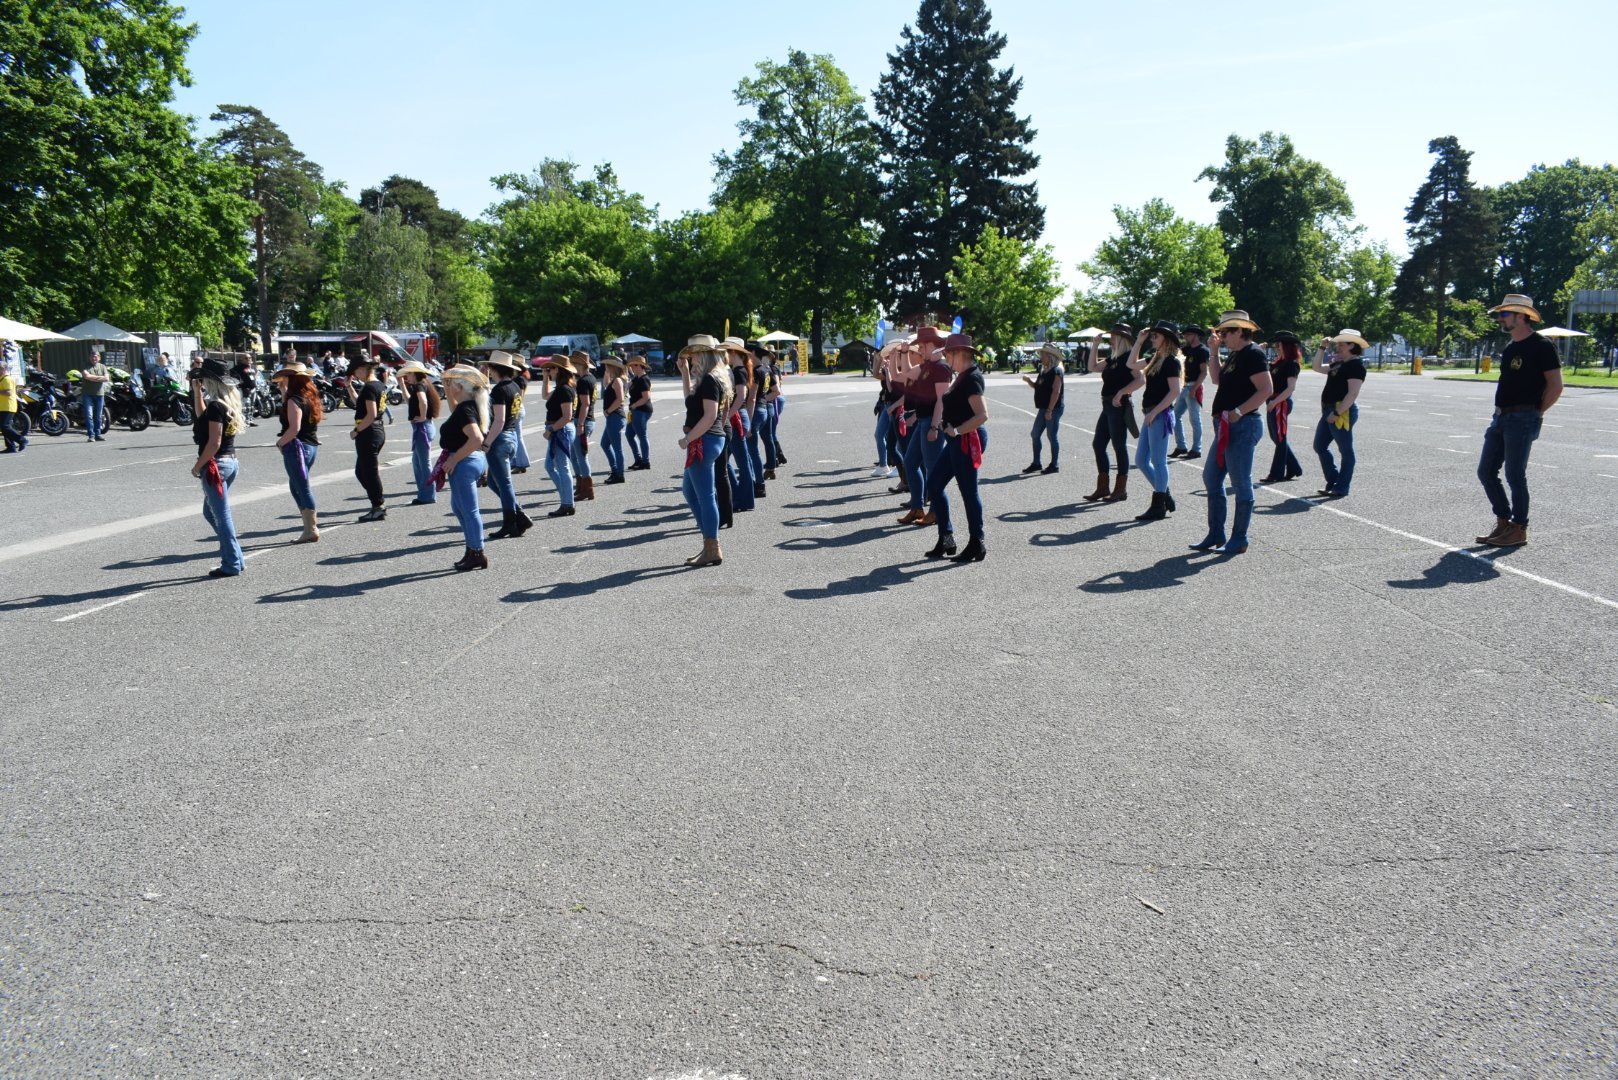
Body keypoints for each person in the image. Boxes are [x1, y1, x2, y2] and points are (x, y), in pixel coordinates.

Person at [1475, 293, 1562, 547]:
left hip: (1523, 417)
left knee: (1514, 474)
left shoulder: (1542, 345)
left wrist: (1536, 412)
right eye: (1500, 314)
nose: (1500, 319)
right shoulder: (1511, 347)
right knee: (1486, 471)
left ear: (1521, 316)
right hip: (1500, 417)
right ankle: (1504, 522)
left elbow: (1555, 386)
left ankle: (1519, 528)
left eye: (1504, 314)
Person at [1191, 310, 1273, 555]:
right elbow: (1216, 379)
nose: (1222, 336)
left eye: (1225, 332)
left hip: (1243, 425)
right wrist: (1214, 351)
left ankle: (1239, 538)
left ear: (1239, 331)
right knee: (1211, 477)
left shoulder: (1253, 354)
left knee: (1240, 482)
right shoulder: (1236, 354)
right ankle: (1217, 533)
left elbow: (1266, 389)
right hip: (1227, 425)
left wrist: (1239, 411)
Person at [924, 333, 991, 563]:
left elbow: (982, 415)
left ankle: (977, 542)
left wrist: (958, 430)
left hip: (966, 438)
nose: (945, 358)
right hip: (956, 438)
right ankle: (946, 538)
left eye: (947, 354)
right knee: (934, 484)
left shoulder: (971, 378)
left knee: (968, 491)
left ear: (958, 354)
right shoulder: (961, 376)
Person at [676, 334, 733, 567]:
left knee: (705, 496)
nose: (692, 359)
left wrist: (688, 438)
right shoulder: (712, 377)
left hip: (703, 441)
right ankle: (709, 542)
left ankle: (712, 545)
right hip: (708, 439)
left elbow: (710, 416)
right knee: (690, 491)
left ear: (704, 355)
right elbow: (691, 402)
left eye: (695, 355)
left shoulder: (710, 379)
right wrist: (685, 373)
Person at [188, 358, 245, 578]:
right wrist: (197, 393)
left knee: (222, 516)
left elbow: (214, 442)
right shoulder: (225, 403)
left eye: (203, 379)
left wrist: (197, 466)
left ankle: (231, 563)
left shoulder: (216, 406)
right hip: (229, 462)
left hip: (216, 465)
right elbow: (202, 418)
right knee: (210, 511)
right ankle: (236, 556)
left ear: (211, 381)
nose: (201, 381)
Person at [894, 326, 952, 525]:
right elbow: (906, 374)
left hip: (931, 423)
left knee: (933, 469)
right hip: (923, 421)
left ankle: (935, 511)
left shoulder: (942, 368)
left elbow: (941, 401)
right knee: (910, 463)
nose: (919, 349)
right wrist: (903, 353)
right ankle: (917, 507)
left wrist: (934, 427)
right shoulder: (927, 365)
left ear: (932, 345)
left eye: (922, 346)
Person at [436, 364, 491, 571]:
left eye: (452, 384)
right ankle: (472, 549)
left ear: (459, 387)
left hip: (464, 462)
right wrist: (447, 387)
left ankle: (477, 552)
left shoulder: (465, 409)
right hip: (471, 460)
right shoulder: (468, 405)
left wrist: (454, 459)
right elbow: (455, 410)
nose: (449, 387)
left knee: (469, 510)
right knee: (460, 508)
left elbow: (476, 439)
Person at [1128, 321, 1183, 522]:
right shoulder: (1155, 358)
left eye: (1155, 336)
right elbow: (1131, 364)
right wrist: (1139, 341)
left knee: (1159, 462)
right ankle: (1164, 495)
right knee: (1141, 461)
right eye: (1152, 336)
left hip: (1160, 415)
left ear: (1166, 339)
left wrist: (1155, 412)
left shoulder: (1171, 361)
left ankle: (1158, 505)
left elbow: (1175, 391)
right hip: (1151, 414)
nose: (1152, 339)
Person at [479, 351, 533, 538]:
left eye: (490, 368)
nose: (490, 372)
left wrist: (487, 442)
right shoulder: (514, 386)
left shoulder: (500, 390)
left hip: (500, 439)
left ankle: (511, 523)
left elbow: (499, 419)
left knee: (503, 484)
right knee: (494, 482)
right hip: (511, 437)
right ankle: (518, 516)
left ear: (496, 369)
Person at [270, 357, 323, 543]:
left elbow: (294, 428)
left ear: (292, 379)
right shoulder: (309, 397)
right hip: (310, 445)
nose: (283, 380)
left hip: (297, 447)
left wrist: (280, 443)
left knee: (302, 487)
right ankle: (308, 527)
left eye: (286, 377)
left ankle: (311, 528)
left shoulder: (295, 400)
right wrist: (284, 391)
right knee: (296, 486)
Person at [1312, 329, 1368, 500]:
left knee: (1345, 450)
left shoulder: (1356, 366)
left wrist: (1337, 412)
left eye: (1342, 344)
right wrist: (1322, 347)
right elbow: (1316, 367)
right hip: (1328, 410)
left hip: (1341, 411)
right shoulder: (1340, 363)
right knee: (1319, 446)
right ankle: (1334, 481)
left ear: (1352, 345)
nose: (1338, 347)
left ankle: (1341, 487)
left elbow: (1352, 394)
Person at [1086, 322, 1137, 502]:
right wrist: (1095, 345)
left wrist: (1122, 392)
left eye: (1114, 337)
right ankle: (1103, 487)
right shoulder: (1114, 357)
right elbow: (1092, 367)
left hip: (1118, 406)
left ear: (1122, 339)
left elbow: (1140, 379)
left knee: (1119, 446)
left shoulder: (1129, 357)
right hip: (1107, 406)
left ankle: (1120, 489)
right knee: (1098, 444)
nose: (1111, 340)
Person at [344, 355, 388, 521]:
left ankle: (378, 506)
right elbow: (360, 404)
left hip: (369, 432)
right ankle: (377, 501)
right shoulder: (377, 385)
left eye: (356, 371)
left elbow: (371, 414)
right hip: (376, 430)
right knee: (361, 471)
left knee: (369, 472)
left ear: (363, 369)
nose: (355, 375)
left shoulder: (369, 387)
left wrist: (357, 430)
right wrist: (349, 387)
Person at [1260, 331, 1304, 483]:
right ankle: (1294, 467)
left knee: (1280, 437)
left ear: (1286, 346)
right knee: (1276, 437)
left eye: (1279, 345)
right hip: (1273, 400)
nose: (1277, 347)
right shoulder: (1278, 362)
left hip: (1281, 402)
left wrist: (1275, 402)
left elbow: (1290, 388)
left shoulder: (1292, 364)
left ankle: (1276, 473)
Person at [539, 354, 578, 517]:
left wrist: (551, 429)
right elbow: (545, 396)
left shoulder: (564, 390)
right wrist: (545, 378)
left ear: (558, 370)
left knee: (562, 467)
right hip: (559, 429)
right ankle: (566, 497)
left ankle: (567, 503)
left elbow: (567, 416)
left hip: (560, 429)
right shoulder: (561, 388)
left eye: (550, 368)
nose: (549, 371)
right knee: (550, 466)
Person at [721, 337, 756, 513]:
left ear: (733, 353)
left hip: (736, 417)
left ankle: (744, 499)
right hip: (738, 416)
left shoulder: (739, 371)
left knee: (740, 461)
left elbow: (741, 396)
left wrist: (728, 416)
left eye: (726, 352)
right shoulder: (739, 370)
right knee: (731, 459)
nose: (724, 355)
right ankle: (738, 496)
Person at [400, 360, 441, 505]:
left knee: (423, 463)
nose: (407, 376)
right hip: (424, 426)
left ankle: (427, 495)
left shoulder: (419, 385)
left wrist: (422, 417)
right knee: (418, 462)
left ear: (414, 373)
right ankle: (424, 493)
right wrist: (402, 384)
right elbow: (410, 401)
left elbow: (423, 402)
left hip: (422, 427)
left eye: (408, 374)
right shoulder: (423, 384)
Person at [1022, 343, 1065, 474]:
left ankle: (1054, 465)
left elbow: (1056, 392)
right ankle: (1036, 463)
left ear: (1050, 356)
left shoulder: (1057, 371)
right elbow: (1038, 386)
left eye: (1042, 354)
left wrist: (1049, 411)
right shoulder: (1044, 370)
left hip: (1053, 408)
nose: (1040, 357)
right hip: (1044, 408)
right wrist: (1029, 381)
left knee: (1051, 436)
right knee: (1035, 434)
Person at [1171, 325, 1209, 460]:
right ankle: (1181, 446)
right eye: (1184, 335)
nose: (1185, 337)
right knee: (1175, 415)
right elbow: (1174, 351)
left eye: (1188, 335)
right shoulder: (1186, 349)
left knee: (1195, 419)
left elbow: (1204, 372)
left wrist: (1194, 388)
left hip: (1193, 386)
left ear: (1195, 335)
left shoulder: (1202, 350)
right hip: (1184, 386)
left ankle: (1196, 449)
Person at [570, 350, 598, 501]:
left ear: (579, 364)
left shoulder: (583, 381)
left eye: (573, 363)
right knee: (575, 455)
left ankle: (587, 488)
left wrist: (580, 423)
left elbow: (585, 404)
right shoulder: (591, 378)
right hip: (588, 420)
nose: (572, 366)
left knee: (580, 456)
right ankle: (581, 485)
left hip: (583, 421)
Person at [599, 355, 629, 484]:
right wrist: (606, 373)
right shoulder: (617, 379)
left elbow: (620, 399)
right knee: (604, 444)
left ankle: (619, 474)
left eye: (607, 365)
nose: (605, 366)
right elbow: (606, 384)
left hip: (615, 416)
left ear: (613, 366)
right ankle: (615, 470)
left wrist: (608, 411)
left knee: (617, 447)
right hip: (614, 417)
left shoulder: (618, 380)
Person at [626, 357, 654, 470]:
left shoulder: (644, 379)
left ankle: (645, 462)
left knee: (642, 436)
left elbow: (646, 397)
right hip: (635, 411)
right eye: (631, 366)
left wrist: (634, 405)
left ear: (640, 366)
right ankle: (638, 459)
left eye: (633, 365)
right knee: (629, 435)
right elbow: (626, 386)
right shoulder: (636, 378)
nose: (631, 368)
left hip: (642, 410)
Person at [80, 349, 110, 441]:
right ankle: (91, 435)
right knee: (89, 415)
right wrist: (100, 378)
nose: (94, 358)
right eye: (92, 356)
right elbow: (86, 376)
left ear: (99, 358)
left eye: (96, 356)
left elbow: (107, 378)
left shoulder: (102, 366)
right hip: (87, 394)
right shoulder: (85, 365)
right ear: (89, 357)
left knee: (98, 416)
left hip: (100, 394)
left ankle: (98, 434)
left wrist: (92, 378)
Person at [0, 359, 24, 453]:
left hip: (8, 406)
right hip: (3, 406)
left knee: (4, 426)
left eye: (0, 368)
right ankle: (11, 447)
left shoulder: (7, 379)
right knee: (6, 427)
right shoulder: (2, 378)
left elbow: (8, 392)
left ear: (4, 369)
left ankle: (21, 440)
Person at [233, 354, 260, 427]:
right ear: (242, 359)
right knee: (245, 406)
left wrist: (256, 377)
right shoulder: (238, 367)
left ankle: (250, 420)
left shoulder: (253, 367)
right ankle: (244, 422)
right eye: (246, 358)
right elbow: (231, 374)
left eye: (250, 358)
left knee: (252, 406)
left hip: (253, 389)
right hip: (244, 389)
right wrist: (238, 381)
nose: (248, 359)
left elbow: (257, 373)